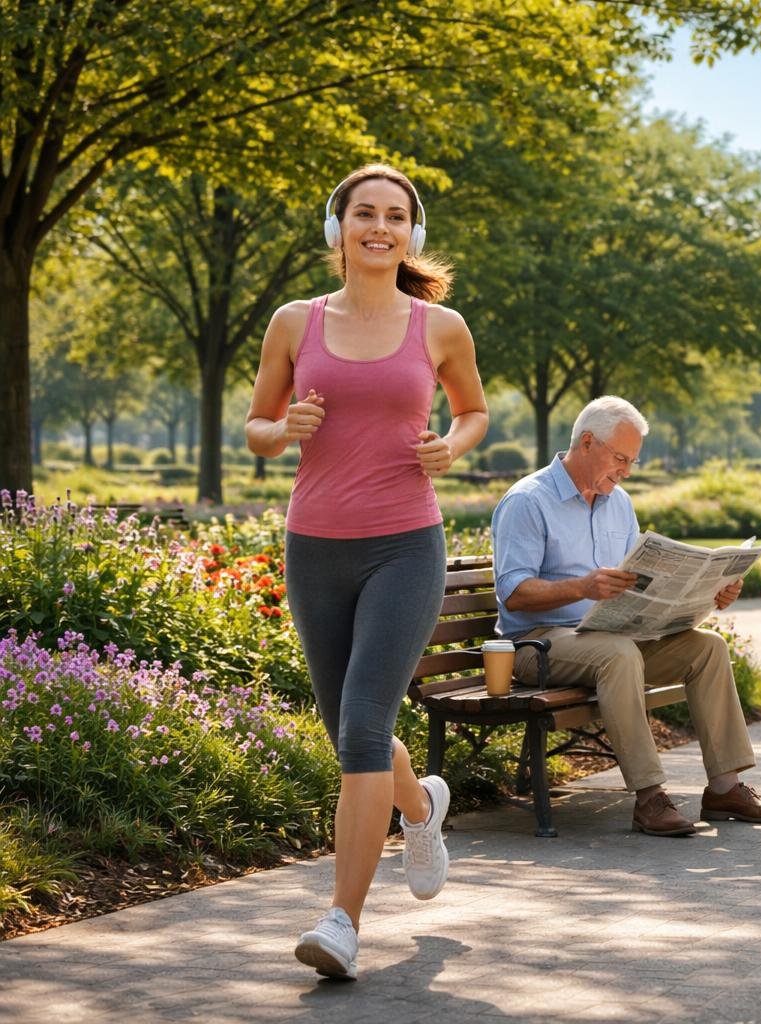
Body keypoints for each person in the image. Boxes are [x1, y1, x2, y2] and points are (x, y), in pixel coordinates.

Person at [246, 164, 488, 980]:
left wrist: (449, 448)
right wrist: (285, 429)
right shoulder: (293, 323)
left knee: (359, 729)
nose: (378, 227)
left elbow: (473, 410)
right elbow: (254, 426)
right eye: (364, 214)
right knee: (350, 730)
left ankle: (341, 921)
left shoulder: (441, 327)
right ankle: (421, 806)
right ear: (337, 228)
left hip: (403, 544)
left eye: (395, 216)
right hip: (314, 545)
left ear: (411, 234)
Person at [492, 396, 761, 837]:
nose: (627, 471)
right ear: (588, 442)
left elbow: (641, 581)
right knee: (618, 655)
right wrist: (582, 587)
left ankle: (725, 788)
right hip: (538, 644)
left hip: (612, 635)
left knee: (707, 648)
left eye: (632, 461)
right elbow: (513, 592)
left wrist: (710, 593)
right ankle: (649, 797)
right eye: (621, 458)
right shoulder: (528, 501)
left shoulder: (619, 502)